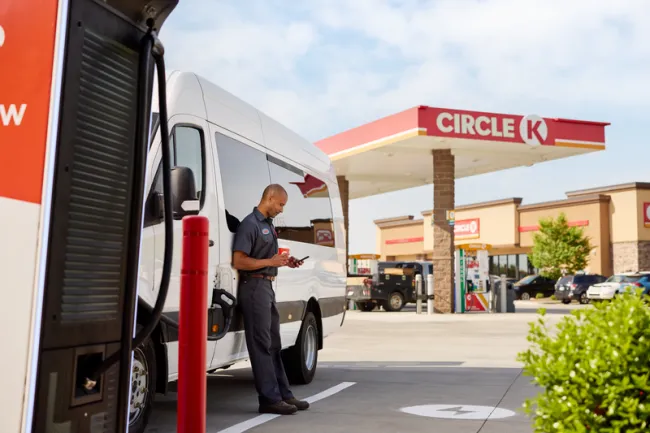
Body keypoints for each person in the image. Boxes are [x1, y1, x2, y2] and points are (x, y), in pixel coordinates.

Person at [231, 184, 309, 415]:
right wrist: (270, 263)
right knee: (262, 345)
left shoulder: (267, 226)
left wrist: (286, 261)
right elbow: (240, 261)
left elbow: (269, 259)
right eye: (280, 204)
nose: (281, 210)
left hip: (266, 286)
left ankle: (284, 395)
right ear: (270, 197)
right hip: (253, 286)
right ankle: (269, 399)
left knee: (275, 344)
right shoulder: (250, 224)